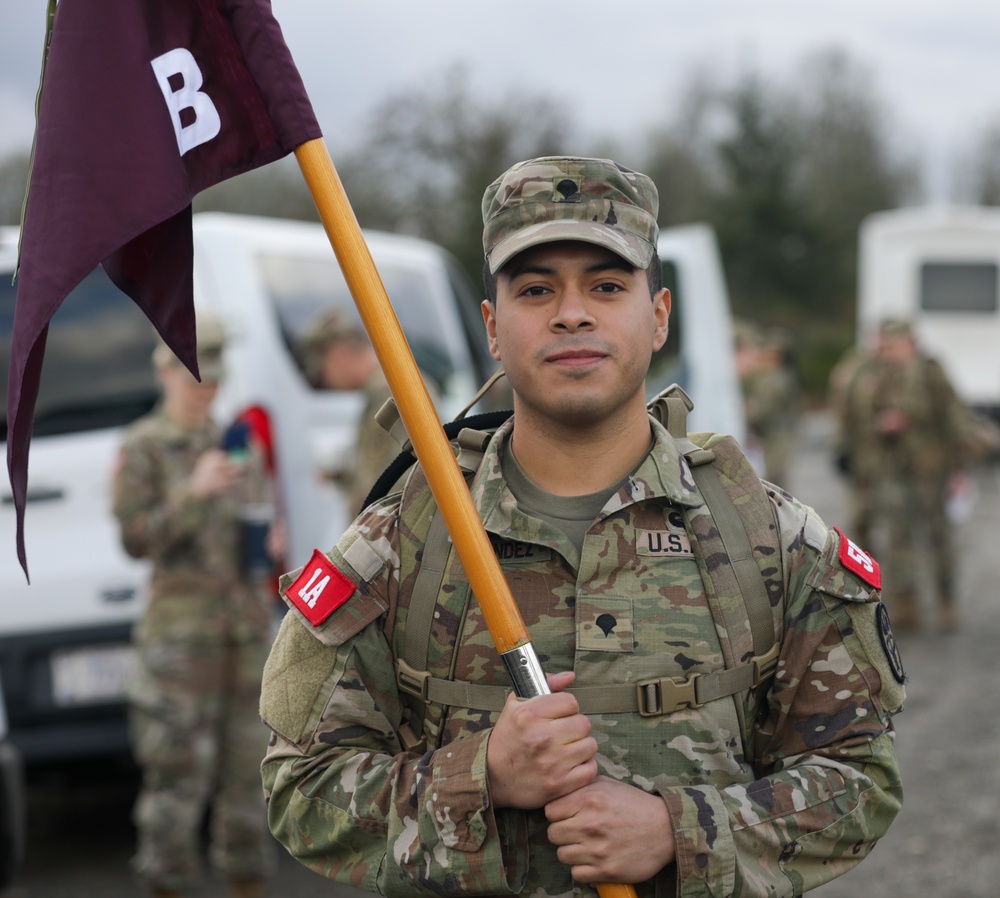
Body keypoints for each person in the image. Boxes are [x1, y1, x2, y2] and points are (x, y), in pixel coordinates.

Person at [259, 156, 904, 897]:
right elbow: (298, 789)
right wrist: (483, 778)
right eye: (537, 290)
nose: (572, 313)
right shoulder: (400, 542)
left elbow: (861, 779)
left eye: (606, 285)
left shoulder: (770, 538)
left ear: (658, 315)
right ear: (493, 328)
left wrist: (681, 832)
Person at [112, 315, 279, 898]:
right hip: (181, 643)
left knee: (249, 778)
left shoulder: (238, 440)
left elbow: (257, 520)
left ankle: (247, 881)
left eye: (214, 374)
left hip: (244, 632)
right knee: (176, 781)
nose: (206, 386)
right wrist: (193, 492)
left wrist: (269, 538)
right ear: (165, 372)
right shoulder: (144, 447)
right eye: (194, 374)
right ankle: (168, 882)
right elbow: (135, 539)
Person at [834, 317, 986, 632]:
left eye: (894, 344)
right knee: (899, 535)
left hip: (930, 468)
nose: (887, 350)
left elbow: (953, 416)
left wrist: (961, 465)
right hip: (894, 467)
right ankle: (908, 604)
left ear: (911, 342)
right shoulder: (873, 371)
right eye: (884, 344)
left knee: (937, 534)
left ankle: (946, 599)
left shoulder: (930, 372)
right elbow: (855, 411)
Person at [299, 308, 418, 515]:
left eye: (322, 371)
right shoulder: (390, 384)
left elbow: (382, 488)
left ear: (338, 356)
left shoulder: (385, 393)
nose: (326, 383)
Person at [736, 323, 801, 488]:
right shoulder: (770, 377)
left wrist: (738, 412)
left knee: (773, 485)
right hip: (771, 437)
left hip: (774, 438)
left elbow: (759, 411)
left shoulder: (775, 380)